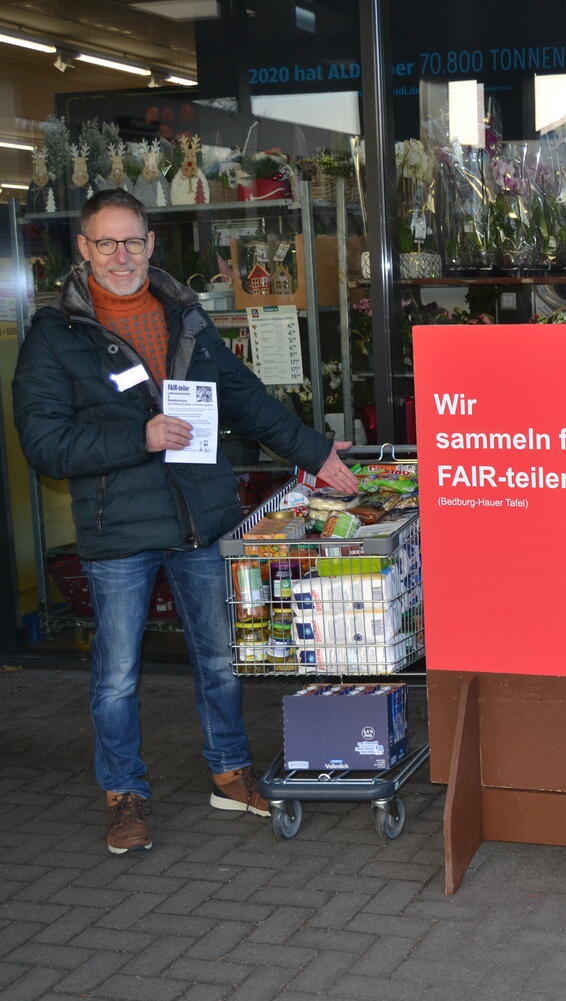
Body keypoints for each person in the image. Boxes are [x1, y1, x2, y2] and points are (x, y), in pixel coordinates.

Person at [12, 188, 361, 855]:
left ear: (150, 243)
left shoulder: (185, 316)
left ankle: (229, 772)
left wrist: (314, 452)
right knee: (116, 674)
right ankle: (123, 793)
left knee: (220, 659)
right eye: (106, 243)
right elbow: (44, 444)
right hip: (119, 530)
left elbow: (245, 398)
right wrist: (138, 437)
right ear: (83, 248)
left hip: (201, 517)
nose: (121, 256)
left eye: (132, 241)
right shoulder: (56, 337)